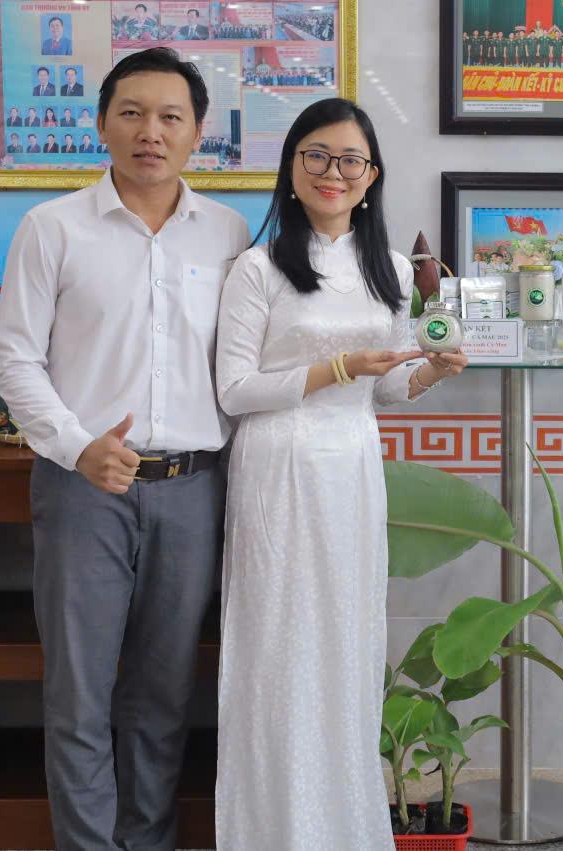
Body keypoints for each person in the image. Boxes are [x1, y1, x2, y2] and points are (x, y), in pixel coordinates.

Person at [0, 47, 250, 851]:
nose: (151, 132)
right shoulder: (52, 227)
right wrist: (78, 448)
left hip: (195, 488)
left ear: (199, 133)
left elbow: (243, 365)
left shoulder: (228, 233)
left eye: (171, 116)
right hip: (84, 489)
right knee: (79, 695)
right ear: (101, 123)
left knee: (163, 697)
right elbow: (15, 360)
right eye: (132, 113)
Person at [213, 96, 467, 849]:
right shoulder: (258, 268)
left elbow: (384, 391)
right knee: (278, 650)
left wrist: (433, 371)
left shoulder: (391, 271)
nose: (334, 171)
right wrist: (339, 367)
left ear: (372, 175)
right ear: (292, 168)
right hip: (277, 469)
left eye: (351, 159)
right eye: (316, 155)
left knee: (345, 645)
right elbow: (234, 391)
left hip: (352, 469)